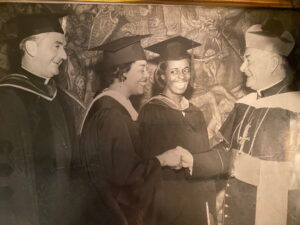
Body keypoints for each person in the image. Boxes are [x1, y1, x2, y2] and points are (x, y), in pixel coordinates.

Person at [179, 19, 300, 225]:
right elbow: (227, 153)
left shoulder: (295, 109)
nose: (242, 68)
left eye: (249, 60)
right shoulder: (245, 104)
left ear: (271, 64)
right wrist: (190, 160)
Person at [79, 35, 191, 225]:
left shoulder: (107, 105)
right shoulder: (112, 116)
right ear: (122, 72)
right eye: (141, 69)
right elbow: (125, 179)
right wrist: (163, 160)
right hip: (112, 216)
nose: (147, 76)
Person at [0, 14, 79, 225]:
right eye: (56, 46)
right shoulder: (7, 100)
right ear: (31, 49)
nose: (63, 55)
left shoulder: (61, 98)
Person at [138, 36, 216, 225]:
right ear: (162, 75)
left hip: (196, 206)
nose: (181, 77)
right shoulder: (152, 112)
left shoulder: (195, 113)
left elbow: (204, 164)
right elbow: (144, 167)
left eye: (185, 70)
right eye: (174, 71)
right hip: (166, 209)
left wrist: (210, 208)